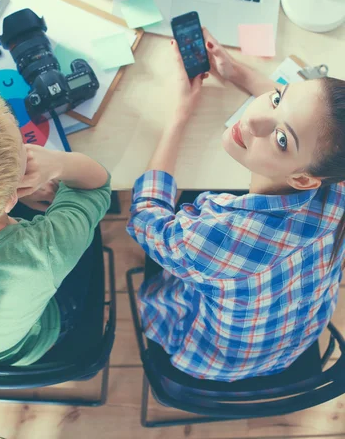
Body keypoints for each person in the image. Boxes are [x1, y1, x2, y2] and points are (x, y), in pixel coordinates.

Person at [127, 28, 345, 382]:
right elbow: (308, 128)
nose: (250, 120)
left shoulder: (217, 236)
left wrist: (180, 112)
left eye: (280, 140)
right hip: (297, 342)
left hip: (210, 358)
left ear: (303, 179)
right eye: (277, 97)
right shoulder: (336, 178)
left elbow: (145, 218)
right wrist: (236, 72)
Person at [0, 88, 111, 366]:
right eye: (23, 145)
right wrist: (57, 163)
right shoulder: (45, 251)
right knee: (87, 237)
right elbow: (96, 186)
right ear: (13, 198)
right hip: (31, 344)